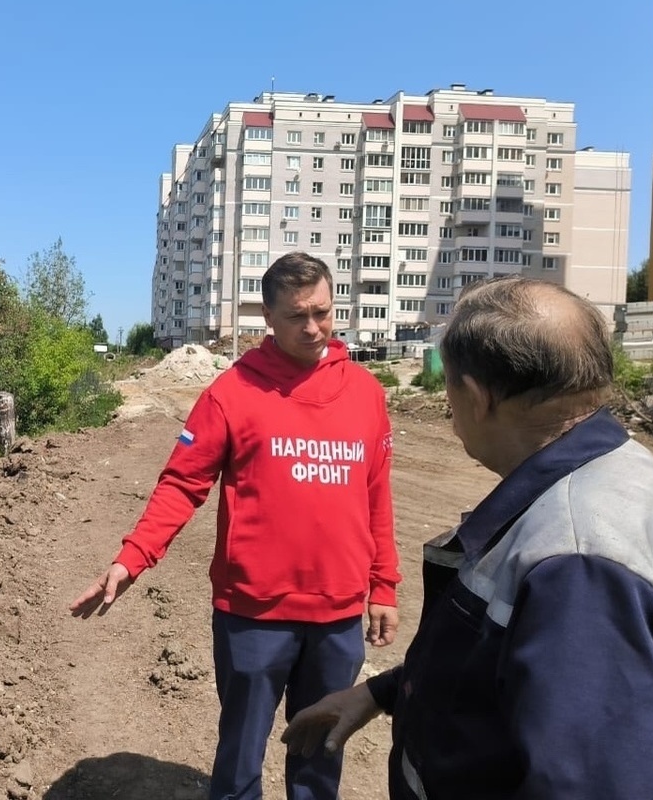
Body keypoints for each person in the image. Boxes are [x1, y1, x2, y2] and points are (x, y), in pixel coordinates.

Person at [282, 276, 653, 798]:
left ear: (477, 396)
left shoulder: (577, 568)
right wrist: (383, 692)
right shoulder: (619, 471)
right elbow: (515, 662)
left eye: (449, 386)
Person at [70, 251, 401, 800]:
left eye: (323, 311)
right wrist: (134, 557)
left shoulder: (365, 393)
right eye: (297, 316)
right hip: (254, 613)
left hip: (338, 613)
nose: (314, 327)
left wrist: (383, 585)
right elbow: (181, 484)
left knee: (320, 752)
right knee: (242, 751)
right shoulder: (231, 394)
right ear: (267, 319)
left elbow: (376, 495)